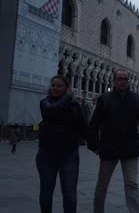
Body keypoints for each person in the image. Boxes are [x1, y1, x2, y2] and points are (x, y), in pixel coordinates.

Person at [87, 69, 139, 213]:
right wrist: (93, 145)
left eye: (125, 79)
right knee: (102, 184)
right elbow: (94, 123)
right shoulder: (104, 99)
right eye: (120, 79)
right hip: (108, 148)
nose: (123, 81)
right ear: (114, 81)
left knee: (131, 183)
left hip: (130, 148)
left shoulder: (136, 99)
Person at [37, 75, 87, 213]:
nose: (55, 88)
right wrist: (69, 96)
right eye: (53, 85)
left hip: (69, 154)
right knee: (46, 191)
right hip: (47, 153)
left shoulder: (75, 106)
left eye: (59, 86)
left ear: (65, 88)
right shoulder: (45, 103)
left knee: (70, 192)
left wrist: (95, 145)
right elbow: (52, 111)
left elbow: (83, 127)